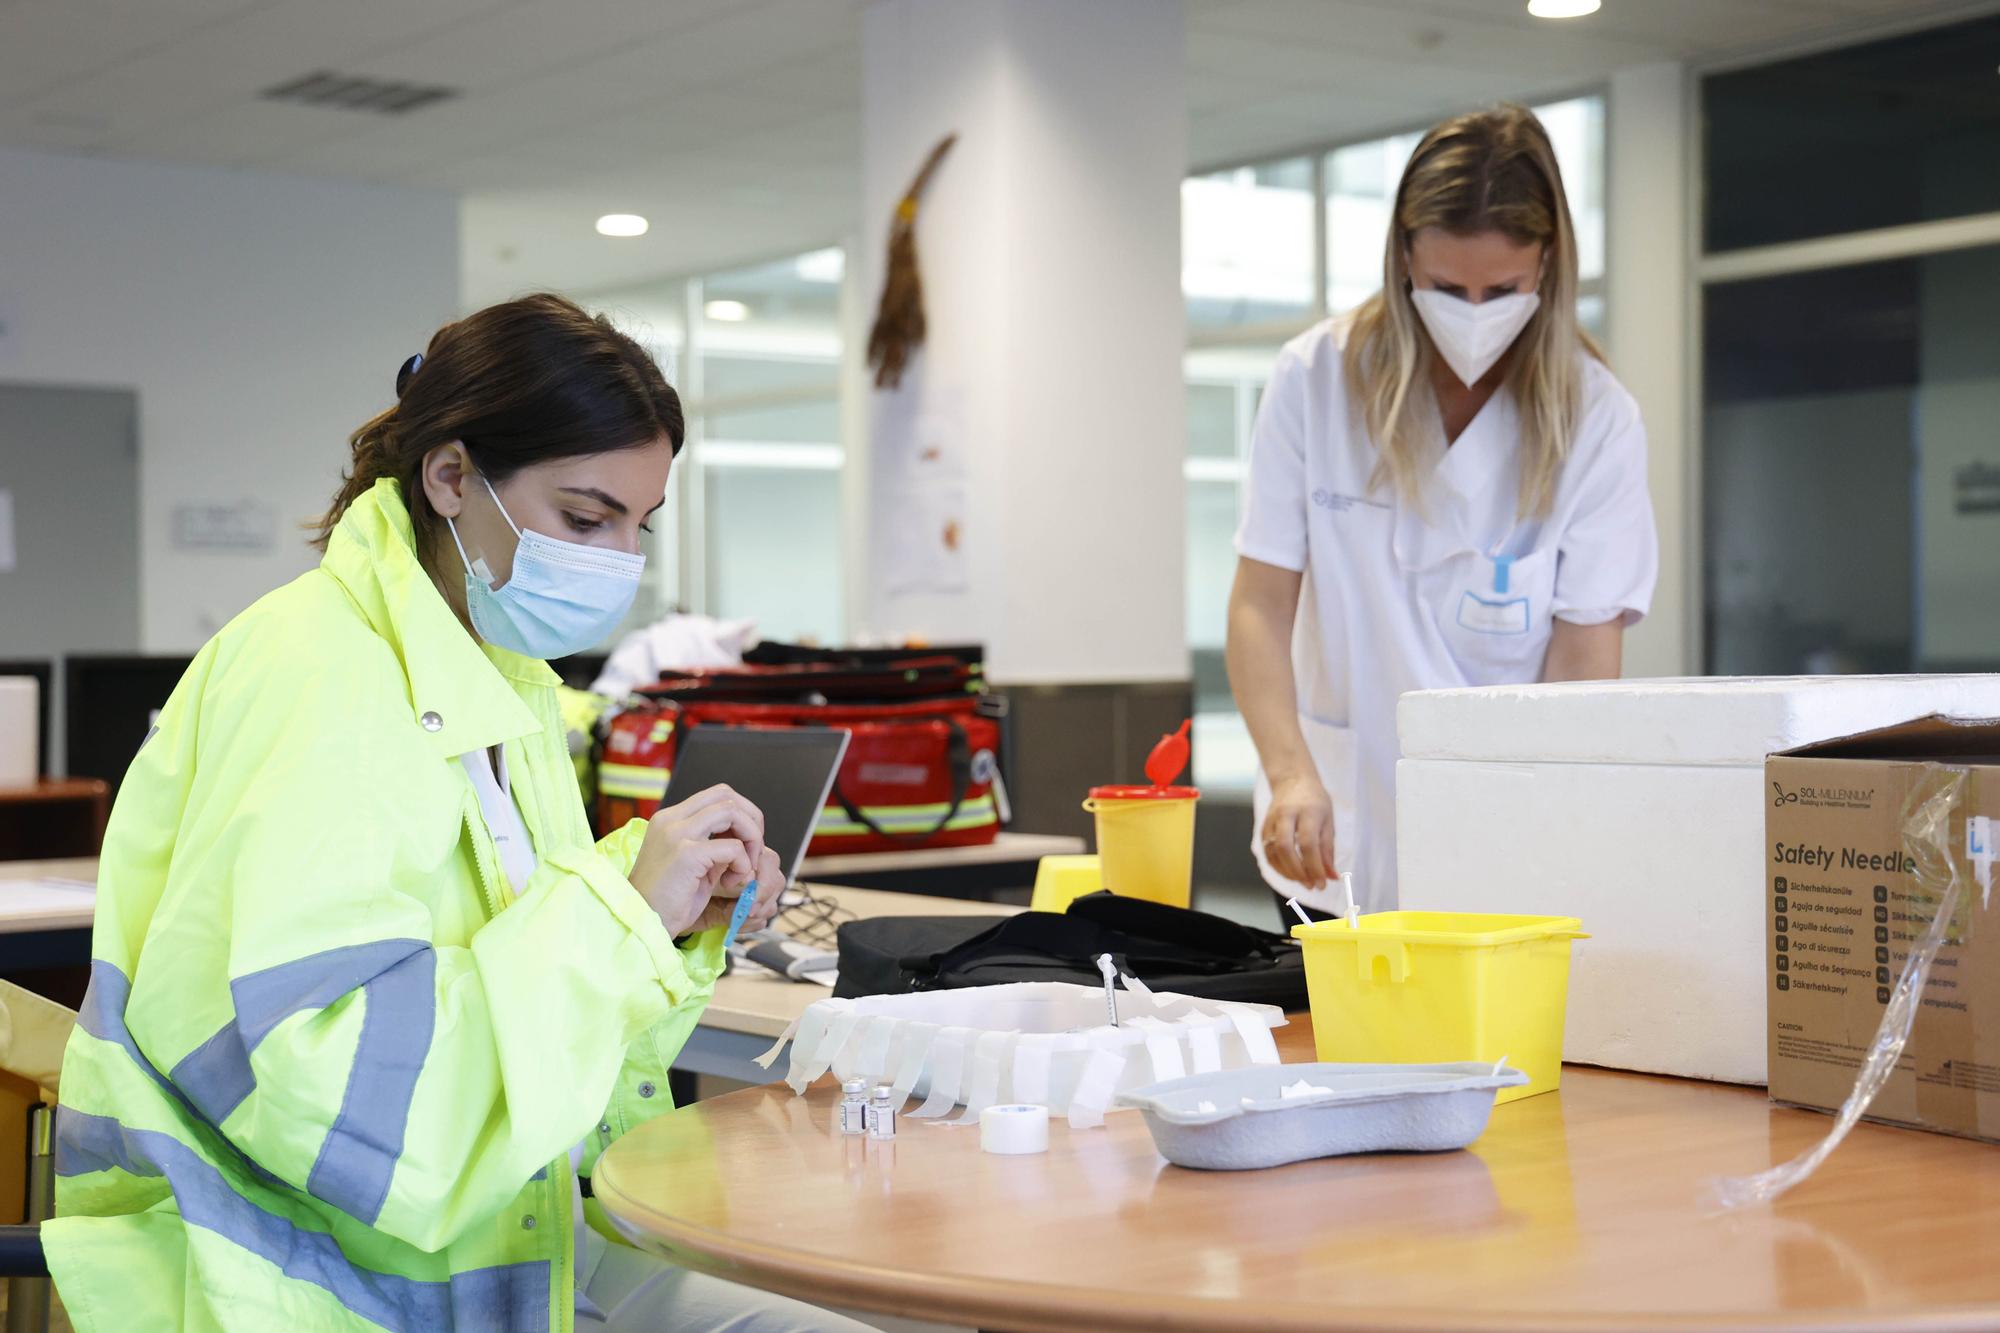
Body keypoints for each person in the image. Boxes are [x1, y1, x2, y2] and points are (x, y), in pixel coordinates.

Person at [44, 294, 876, 1332]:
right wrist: (617, 915)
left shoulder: (498, 677)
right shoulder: (320, 675)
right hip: (308, 1272)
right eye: (585, 517)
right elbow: (337, 1096)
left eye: (637, 525)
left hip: (482, 1234)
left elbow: (531, 1026)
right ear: (449, 477)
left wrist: (665, 915)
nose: (619, 560)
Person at [1227, 105, 1658, 922]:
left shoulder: (1595, 418)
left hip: (1509, 842)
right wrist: (1288, 771)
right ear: (1402, 257)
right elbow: (1259, 602)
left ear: (1549, 263)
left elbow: (1583, 664)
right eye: (1445, 287)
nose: (1472, 310)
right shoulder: (1316, 380)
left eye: (1502, 289)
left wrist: (1562, 825)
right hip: (1334, 837)